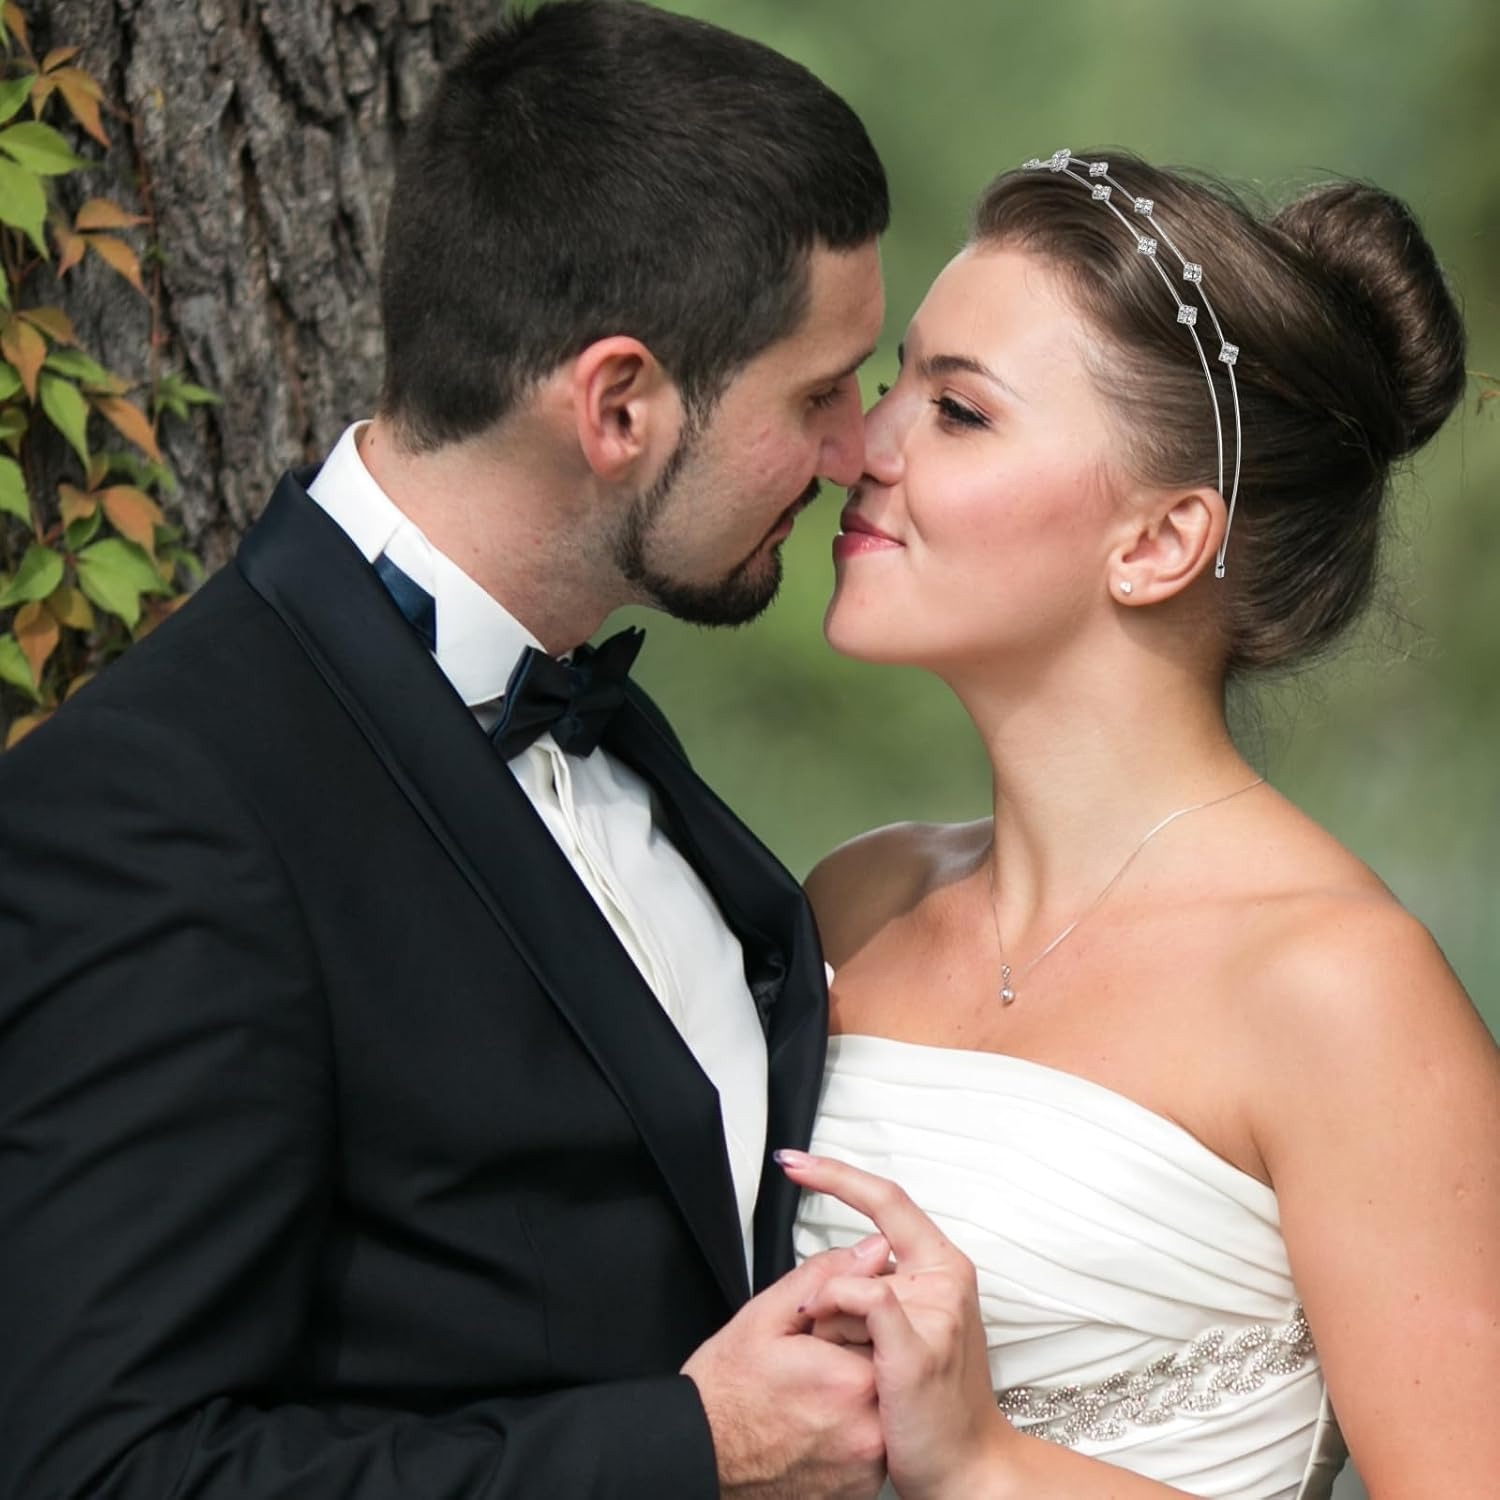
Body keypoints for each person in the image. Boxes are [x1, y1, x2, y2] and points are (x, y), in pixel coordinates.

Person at [0, 4, 894, 1496]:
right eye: (816, 394)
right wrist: (698, 1446)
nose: (856, 449)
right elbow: (96, 1471)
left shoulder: (599, 725)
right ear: (618, 405)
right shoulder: (160, 814)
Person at [786, 148, 1500, 1499]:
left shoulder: (1340, 989)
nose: (861, 450)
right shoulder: (856, 900)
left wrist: (988, 1465)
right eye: (893, 386)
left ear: (1160, 541)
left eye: (959, 411)